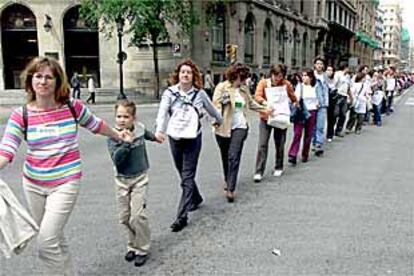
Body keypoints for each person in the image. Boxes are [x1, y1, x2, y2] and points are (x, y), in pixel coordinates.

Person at [0, 56, 123, 275]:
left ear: (58, 82)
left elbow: (96, 124)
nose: (43, 81)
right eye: (38, 76)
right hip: (34, 184)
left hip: (66, 182)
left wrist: (118, 135)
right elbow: (7, 150)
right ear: (30, 81)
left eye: (49, 77)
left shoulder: (71, 107)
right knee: (54, 237)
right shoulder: (22, 115)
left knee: (46, 242)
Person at [155, 59, 223, 232]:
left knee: (187, 175)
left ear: (194, 76)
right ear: (178, 74)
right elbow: (162, 113)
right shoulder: (170, 93)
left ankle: (182, 216)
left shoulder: (199, 94)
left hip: (193, 138)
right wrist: (159, 131)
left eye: (189, 72)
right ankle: (196, 197)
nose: (185, 75)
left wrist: (219, 120)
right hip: (175, 137)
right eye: (183, 72)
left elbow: (213, 110)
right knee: (182, 172)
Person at [107, 100, 162, 267]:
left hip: (140, 178)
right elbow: (117, 160)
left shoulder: (138, 128)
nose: (122, 120)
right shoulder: (113, 135)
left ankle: (142, 248)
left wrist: (156, 138)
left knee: (137, 216)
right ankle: (132, 244)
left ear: (133, 117)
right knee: (124, 218)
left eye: (126, 116)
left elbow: (146, 133)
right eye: (119, 116)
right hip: (122, 180)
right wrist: (126, 143)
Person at [213, 63, 270, 202]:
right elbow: (215, 105)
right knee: (225, 156)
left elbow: (251, 104)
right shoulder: (222, 87)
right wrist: (217, 116)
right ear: (235, 75)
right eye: (242, 78)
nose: (244, 81)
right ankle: (227, 178)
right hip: (223, 127)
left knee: (234, 156)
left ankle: (231, 188)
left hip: (240, 126)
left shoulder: (244, 89)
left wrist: (265, 108)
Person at [253, 64, 297, 181]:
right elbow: (257, 96)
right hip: (266, 117)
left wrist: (294, 103)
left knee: (280, 143)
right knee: (262, 144)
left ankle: (278, 166)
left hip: (281, 117)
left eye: (280, 76)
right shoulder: (263, 83)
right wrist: (264, 103)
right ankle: (259, 171)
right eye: (276, 76)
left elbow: (293, 97)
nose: (278, 79)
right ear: (271, 74)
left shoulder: (286, 84)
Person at [288, 69, 321, 165]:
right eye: (303, 75)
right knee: (297, 133)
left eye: (306, 75)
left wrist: (318, 103)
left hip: (312, 111)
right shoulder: (300, 86)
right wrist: (295, 104)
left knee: (308, 134)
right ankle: (293, 154)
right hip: (301, 112)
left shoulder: (315, 87)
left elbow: (317, 98)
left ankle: (305, 154)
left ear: (310, 77)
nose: (304, 77)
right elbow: (296, 98)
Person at [312, 56, 329, 156]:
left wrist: (326, 103)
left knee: (321, 125)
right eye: (318, 63)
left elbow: (327, 90)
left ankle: (318, 144)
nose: (319, 66)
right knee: (313, 125)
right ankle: (314, 142)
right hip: (313, 104)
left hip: (323, 104)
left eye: (321, 64)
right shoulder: (311, 76)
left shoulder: (325, 76)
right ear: (314, 65)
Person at [333, 62, 353, 137]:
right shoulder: (338, 74)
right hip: (338, 95)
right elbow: (334, 84)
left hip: (344, 96)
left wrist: (351, 97)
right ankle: (331, 128)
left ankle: (338, 130)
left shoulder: (347, 77)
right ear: (345, 67)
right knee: (336, 113)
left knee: (343, 114)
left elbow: (348, 87)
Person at [326, 65, 338, 142]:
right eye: (328, 70)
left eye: (331, 70)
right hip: (324, 100)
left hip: (332, 100)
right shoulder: (323, 79)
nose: (329, 72)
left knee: (331, 118)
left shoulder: (335, 80)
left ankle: (330, 134)